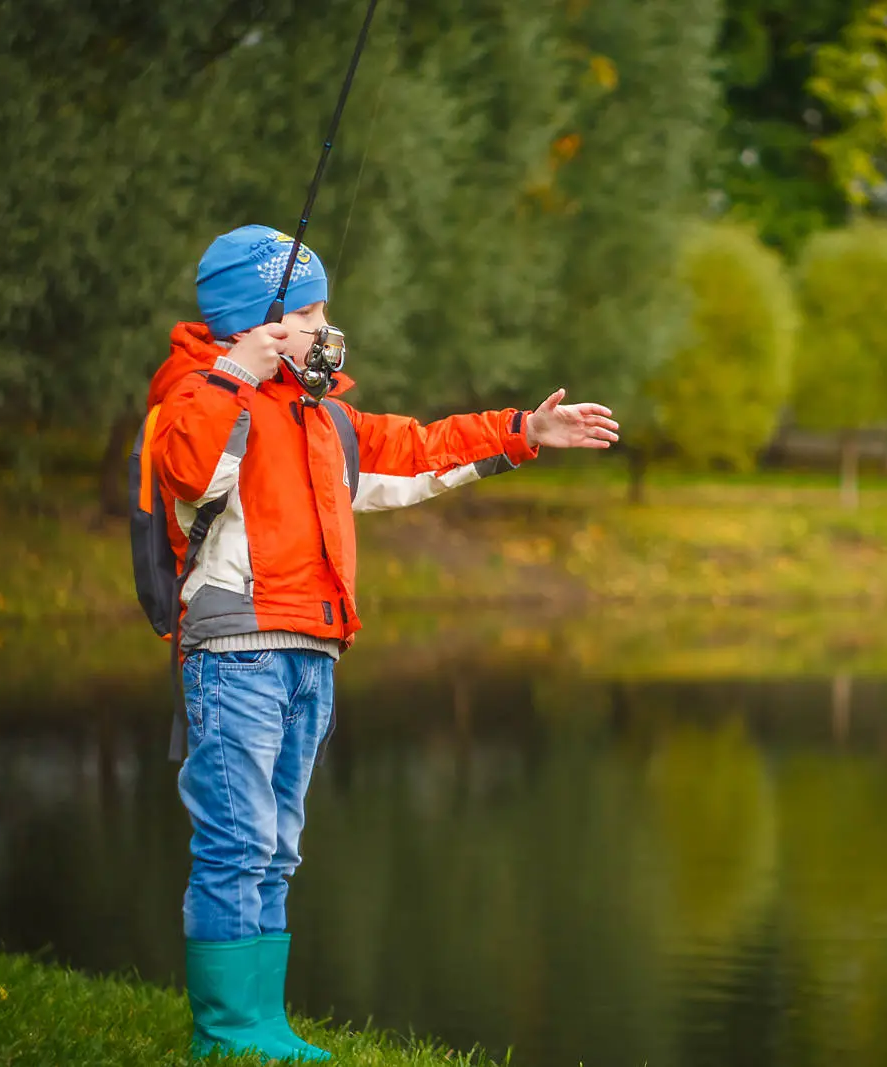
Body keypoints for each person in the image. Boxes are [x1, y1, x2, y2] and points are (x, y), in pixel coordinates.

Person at [149, 224, 619, 1062]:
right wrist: (234, 374)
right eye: (312, 310)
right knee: (236, 839)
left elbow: (417, 451)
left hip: (312, 649)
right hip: (235, 652)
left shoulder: (326, 419)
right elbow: (191, 474)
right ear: (258, 322)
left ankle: (263, 1024)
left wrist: (522, 431)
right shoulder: (195, 394)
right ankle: (225, 1032)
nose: (330, 327)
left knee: (279, 843)